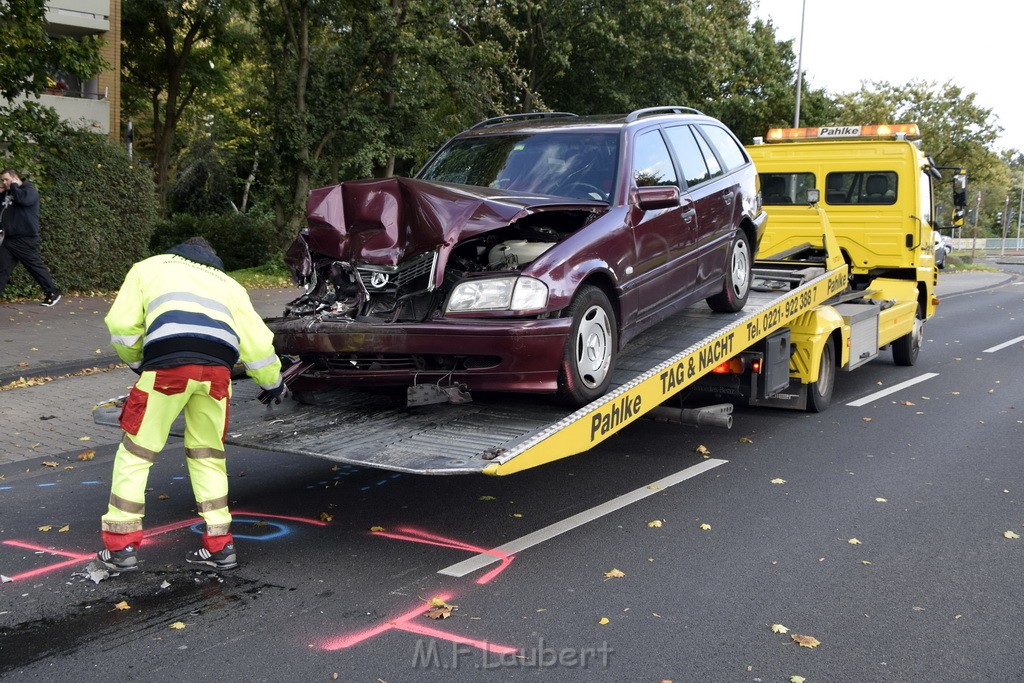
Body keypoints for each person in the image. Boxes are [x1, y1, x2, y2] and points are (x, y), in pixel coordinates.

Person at [96, 237, 288, 572]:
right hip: (216, 373)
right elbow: (258, 343)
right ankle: (220, 547)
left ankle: (121, 548)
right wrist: (273, 383)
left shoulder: (149, 268)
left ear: (179, 251)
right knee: (208, 455)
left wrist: (139, 362)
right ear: (213, 260)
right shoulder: (230, 285)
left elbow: (122, 326)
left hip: (167, 368)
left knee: (137, 453)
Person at [0, 168, 61, 306]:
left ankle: (53, 293)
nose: (4, 182)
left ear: (15, 178)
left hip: (25, 238)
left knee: (34, 267)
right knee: (2, 267)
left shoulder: (30, 190)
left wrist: (14, 185)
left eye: (6, 179)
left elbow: (23, 200)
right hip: (9, 239)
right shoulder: (7, 192)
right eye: (2, 180)